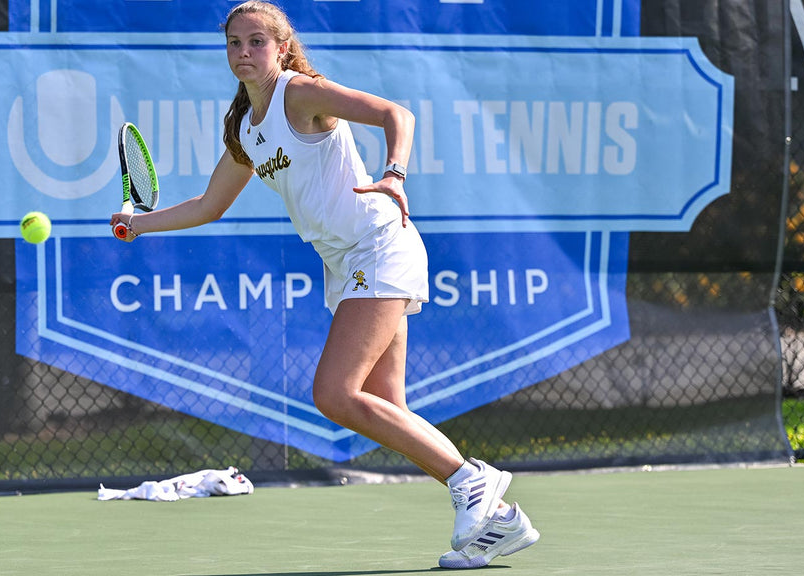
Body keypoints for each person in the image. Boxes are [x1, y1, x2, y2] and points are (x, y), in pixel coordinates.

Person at [109, 0, 539, 568]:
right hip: (345, 262)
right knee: (386, 405)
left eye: (256, 42)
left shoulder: (299, 93)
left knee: (334, 394)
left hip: (380, 245)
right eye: (234, 43)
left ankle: (471, 480)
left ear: (282, 47)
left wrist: (394, 173)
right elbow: (211, 204)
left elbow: (395, 114)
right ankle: (503, 524)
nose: (244, 52)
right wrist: (137, 225)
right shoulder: (244, 128)